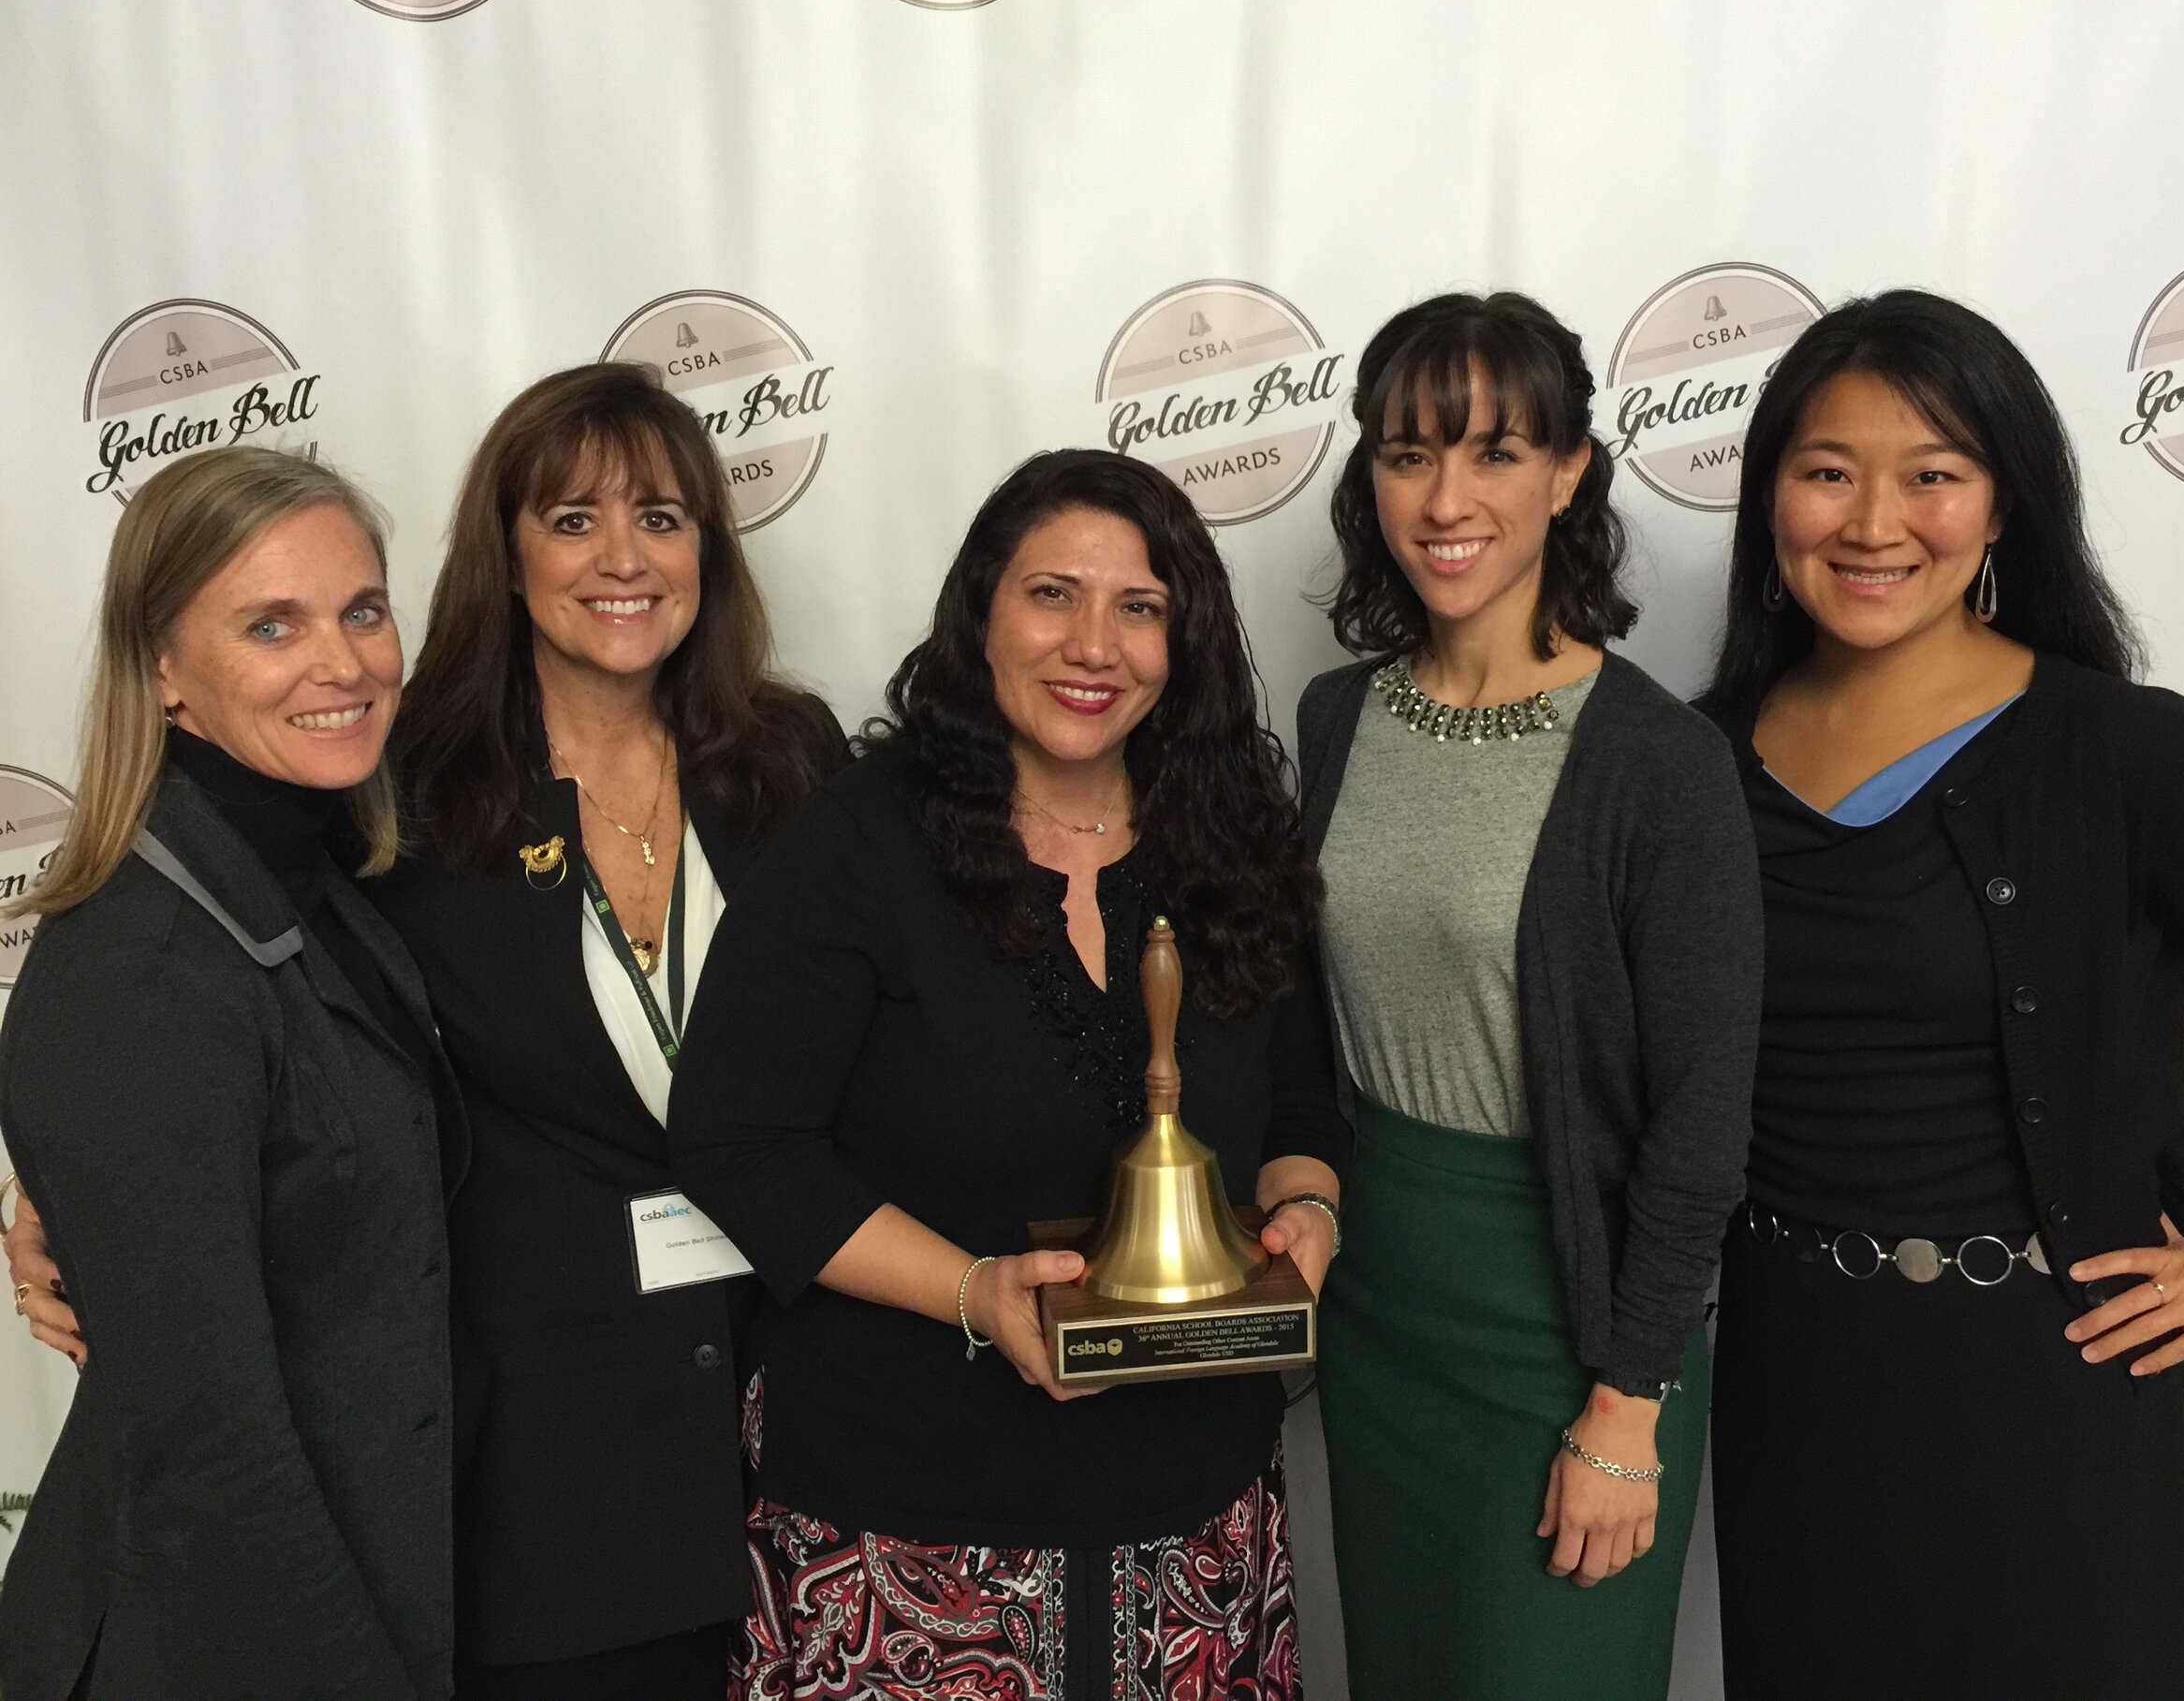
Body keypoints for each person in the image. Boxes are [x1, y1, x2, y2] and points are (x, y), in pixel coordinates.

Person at [1698, 288, 2184, 1700]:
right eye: (1828, 472)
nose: (1875, 523)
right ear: (1770, 503)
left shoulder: (2120, 751)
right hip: (1798, 1399)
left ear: (2003, 510)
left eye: (1932, 475)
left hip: (2058, 1401)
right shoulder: (1689, 766)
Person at [667, 447, 1347, 1701]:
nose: (1094, 645)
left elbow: (1302, 1098)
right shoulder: (862, 841)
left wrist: (1308, 1207)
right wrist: (974, 1291)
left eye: (1139, 607)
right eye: (1052, 595)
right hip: (905, 1524)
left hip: (1195, 1527)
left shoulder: (1234, 836)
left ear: (1184, 641)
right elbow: (739, 1143)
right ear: (980, 612)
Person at [1296, 290, 1763, 1700]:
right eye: (1409, 454)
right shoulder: (1337, 716)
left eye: (1495, 453)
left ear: (1568, 474)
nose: (1446, 501)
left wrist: (1627, 1403)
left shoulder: (1659, 763)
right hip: (1379, 1302)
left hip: (1568, 1326)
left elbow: (1702, 1121)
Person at [373, 363, 846, 1698]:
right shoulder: (413, 794)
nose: (624, 559)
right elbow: (258, 1022)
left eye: (661, 517)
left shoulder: (791, 762)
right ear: (507, 553)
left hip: (809, 1428)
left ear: (708, 550)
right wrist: (71, 1185)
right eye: (573, 520)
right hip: (555, 1469)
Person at [0, 447, 463, 1701]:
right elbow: (210, 1446)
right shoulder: (139, 972)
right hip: (219, 1646)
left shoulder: (317, 882)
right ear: (162, 669)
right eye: (272, 626)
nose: (344, 663)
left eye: (363, 611)